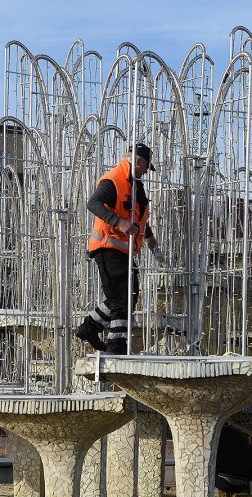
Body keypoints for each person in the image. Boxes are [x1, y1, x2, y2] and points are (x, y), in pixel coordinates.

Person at [75, 143, 164, 355]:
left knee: (129, 295)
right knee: (122, 299)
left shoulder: (134, 185)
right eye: (145, 167)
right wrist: (119, 223)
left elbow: (135, 215)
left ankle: (90, 327)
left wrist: (149, 236)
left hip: (122, 250)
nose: (145, 172)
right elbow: (93, 203)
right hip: (108, 247)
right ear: (138, 161)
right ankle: (116, 347)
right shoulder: (114, 180)